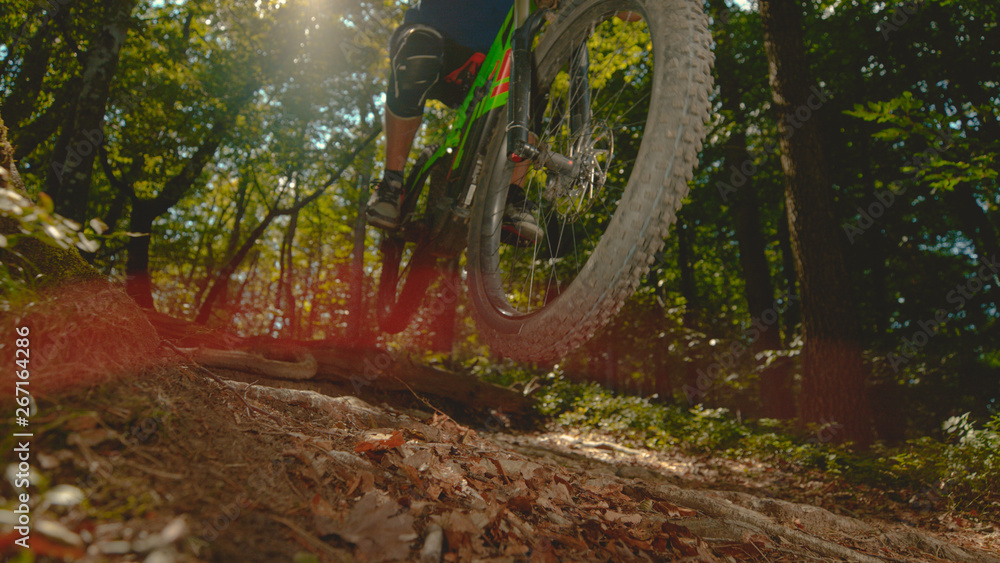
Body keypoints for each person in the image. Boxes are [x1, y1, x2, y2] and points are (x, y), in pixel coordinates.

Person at [365, 0, 544, 244]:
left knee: (534, 90)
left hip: (498, 57)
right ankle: (391, 184)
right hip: (436, 33)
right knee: (419, 57)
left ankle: (513, 198)